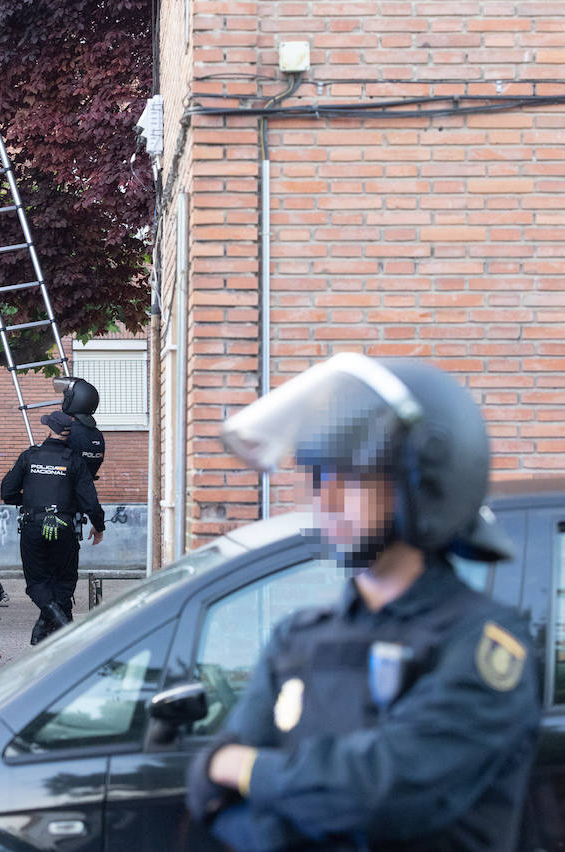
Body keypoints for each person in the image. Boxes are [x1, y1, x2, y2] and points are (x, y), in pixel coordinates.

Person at [186, 353, 540, 850]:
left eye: (350, 476)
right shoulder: (298, 637)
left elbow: (380, 795)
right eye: (317, 476)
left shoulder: (483, 644)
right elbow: (210, 794)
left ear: (423, 483)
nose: (326, 501)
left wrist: (245, 769)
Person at [0, 410, 105, 645]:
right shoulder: (74, 460)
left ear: (50, 431)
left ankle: (51, 627)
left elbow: (7, 492)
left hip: (34, 526)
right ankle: (58, 628)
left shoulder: (29, 456)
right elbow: (90, 501)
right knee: (64, 581)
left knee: (37, 582)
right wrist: (98, 526)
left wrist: (30, 502)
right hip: (63, 526)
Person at [56, 376, 105, 479]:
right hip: (86, 485)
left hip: (66, 485)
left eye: (65, 399)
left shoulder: (68, 430)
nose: (62, 401)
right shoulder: (97, 434)